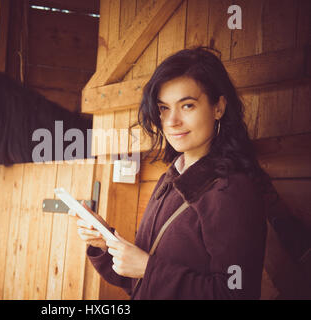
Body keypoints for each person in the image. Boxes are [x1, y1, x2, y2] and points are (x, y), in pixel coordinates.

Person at [70, 47, 273, 299]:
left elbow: (234, 293)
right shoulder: (172, 176)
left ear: (218, 107)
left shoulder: (231, 189)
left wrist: (147, 268)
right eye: (164, 108)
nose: (171, 121)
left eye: (187, 106)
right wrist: (106, 242)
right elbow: (141, 282)